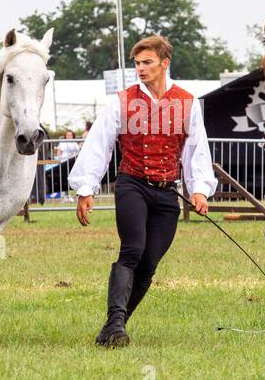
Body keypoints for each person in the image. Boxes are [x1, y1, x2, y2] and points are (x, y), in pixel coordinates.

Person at [68, 34, 216, 348]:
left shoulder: (188, 103)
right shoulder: (121, 101)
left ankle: (112, 327)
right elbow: (100, 144)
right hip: (132, 185)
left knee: (149, 264)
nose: (141, 68)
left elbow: (196, 149)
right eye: (137, 63)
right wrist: (85, 188)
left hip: (167, 195)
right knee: (132, 251)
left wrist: (200, 189)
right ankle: (117, 323)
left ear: (164, 63)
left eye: (147, 62)